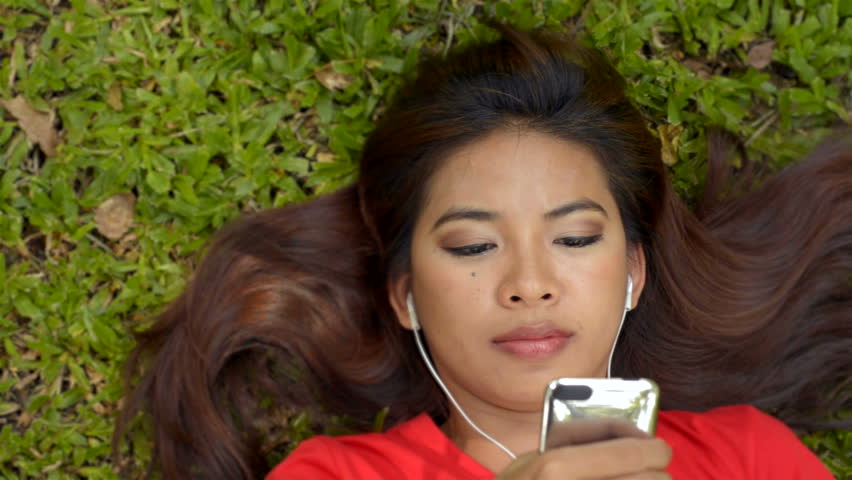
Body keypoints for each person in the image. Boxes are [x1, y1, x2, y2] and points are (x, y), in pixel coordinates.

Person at [114, 24, 850, 479]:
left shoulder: (751, 458)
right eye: (472, 245)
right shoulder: (332, 479)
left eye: (574, 237)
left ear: (632, 273)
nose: (529, 283)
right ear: (404, 296)